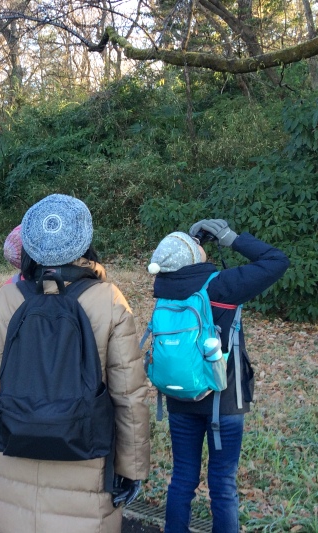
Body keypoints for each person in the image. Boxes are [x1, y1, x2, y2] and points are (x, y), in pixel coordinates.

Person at [0, 194, 150, 533]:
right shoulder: (109, 299)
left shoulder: (9, 297)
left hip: (21, 441)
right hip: (84, 452)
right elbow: (129, 395)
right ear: (85, 242)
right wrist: (132, 468)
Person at [149, 220, 289, 532]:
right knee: (223, 486)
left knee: (182, 477)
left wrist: (194, 243)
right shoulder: (223, 286)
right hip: (223, 402)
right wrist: (231, 239)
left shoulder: (165, 291)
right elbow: (277, 260)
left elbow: (186, 268)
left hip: (180, 397)